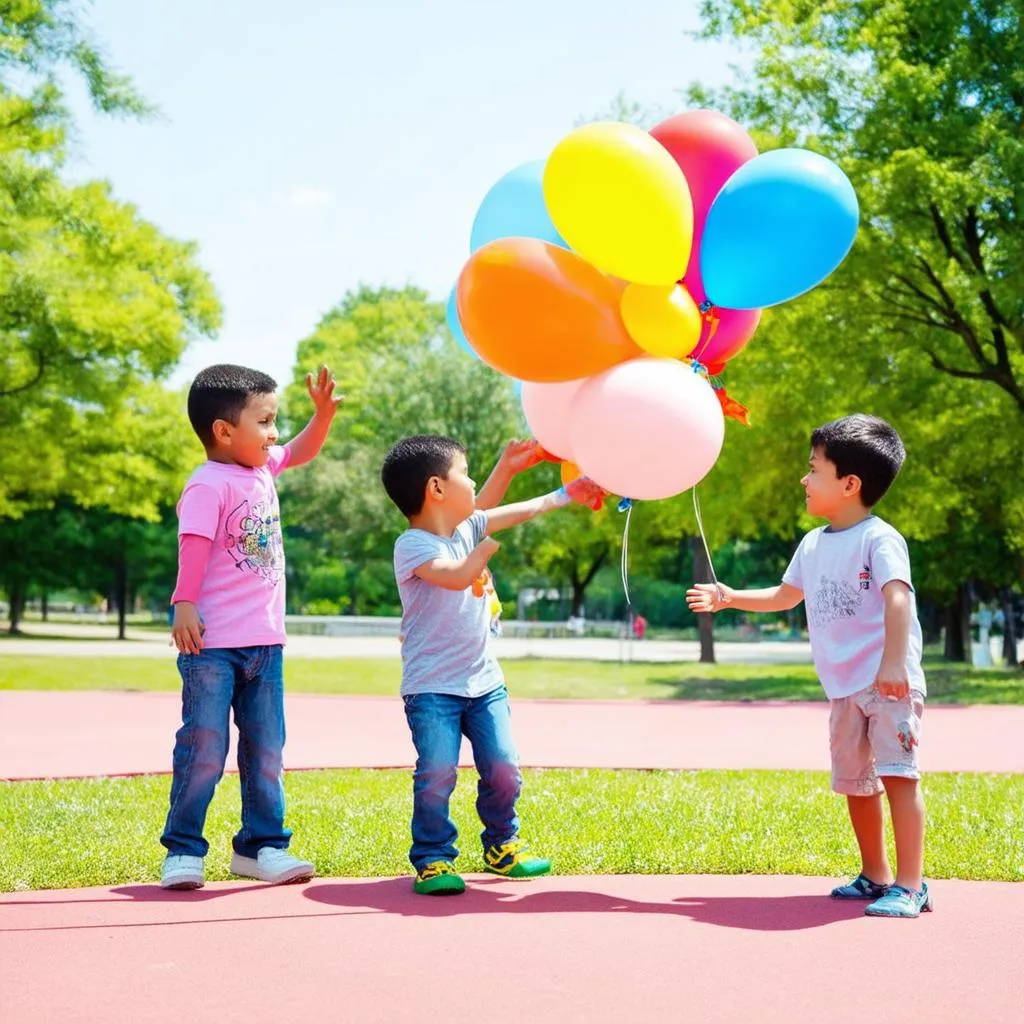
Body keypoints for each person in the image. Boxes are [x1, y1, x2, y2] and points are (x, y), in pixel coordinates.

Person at [686, 414, 931, 919]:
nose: (804, 478)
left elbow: (898, 601)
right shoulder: (814, 544)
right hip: (842, 687)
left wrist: (892, 664)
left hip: (886, 685)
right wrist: (728, 596)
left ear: (849, 484)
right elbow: (785, 595)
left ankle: (911, 884)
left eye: (813, 469)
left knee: (898, 778)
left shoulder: (880, 540)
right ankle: (875, 874)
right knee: (855, 784)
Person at [381, 435, 602, 895]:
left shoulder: (463, 528)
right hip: (432, 688)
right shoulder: (412, 545)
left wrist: (566, 493)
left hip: (484, 682)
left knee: (503, 766)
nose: (474, 480)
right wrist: (480, 555)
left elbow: (518, 507)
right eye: (466, 472)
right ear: (437, 489)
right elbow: (455, 577)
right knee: (437, 772)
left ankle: (502, 844)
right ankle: (434, 858)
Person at [160, 363, 341, 890]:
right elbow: (192, 545)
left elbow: (302, 449)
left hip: (265, 645)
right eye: (264, 421)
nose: (274, 432)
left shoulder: (261, 470)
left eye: (275, 419)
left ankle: (262, 847)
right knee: (205, 745)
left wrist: (323, 414)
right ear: (223, 431)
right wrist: (183, 601)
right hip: (213, 645)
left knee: (266, 748)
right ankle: (184, 849)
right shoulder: (207, 484)